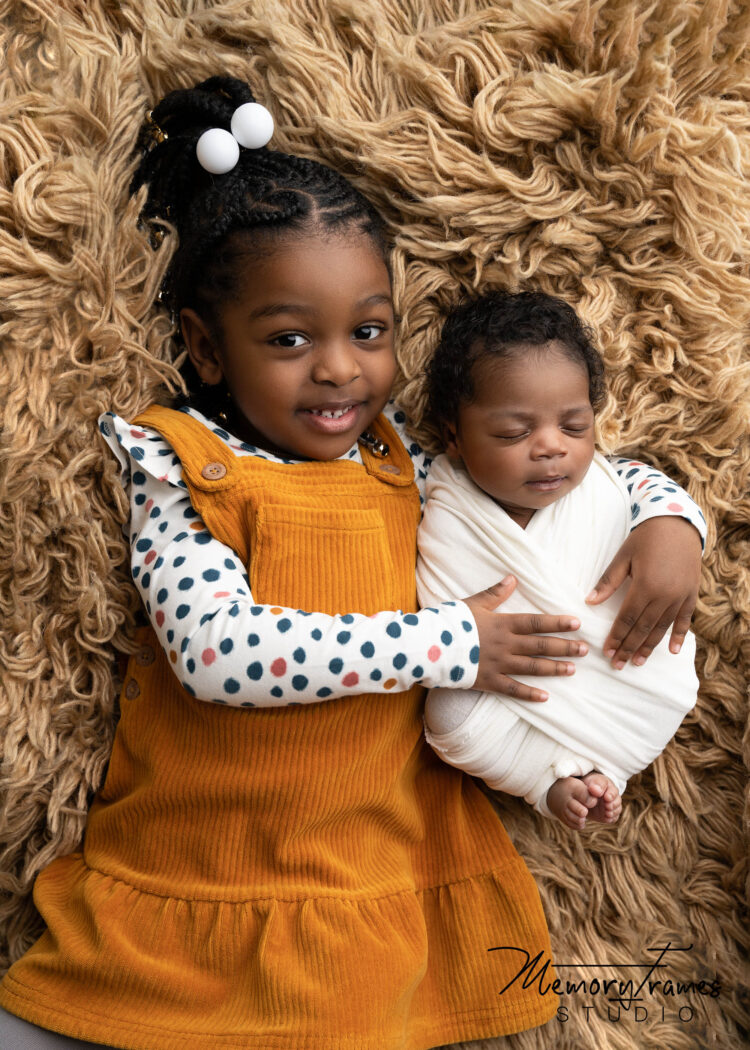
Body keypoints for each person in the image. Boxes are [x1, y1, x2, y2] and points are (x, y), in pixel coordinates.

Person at [0, 78, 706, 1050]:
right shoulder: (182, 468)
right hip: (196, 865)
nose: (339, 369)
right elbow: (220, 652)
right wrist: (451, 642)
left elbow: (572, 476)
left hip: (367, 880)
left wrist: (674, 522)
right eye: (291, 339)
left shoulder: (401, 458)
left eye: (367, 332)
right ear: (206, 348)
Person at [416, 291, 702, 831]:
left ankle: (608, 769)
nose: (551, 447)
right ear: (453, 433)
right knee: (448, 717)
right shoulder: (441, 493)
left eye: (574, 427)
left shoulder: (610, 485)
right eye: (513, 433)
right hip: (503, 686)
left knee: (676, 678)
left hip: (622, 672)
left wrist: (677, 525)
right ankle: (543, 783)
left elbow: (644, 485)